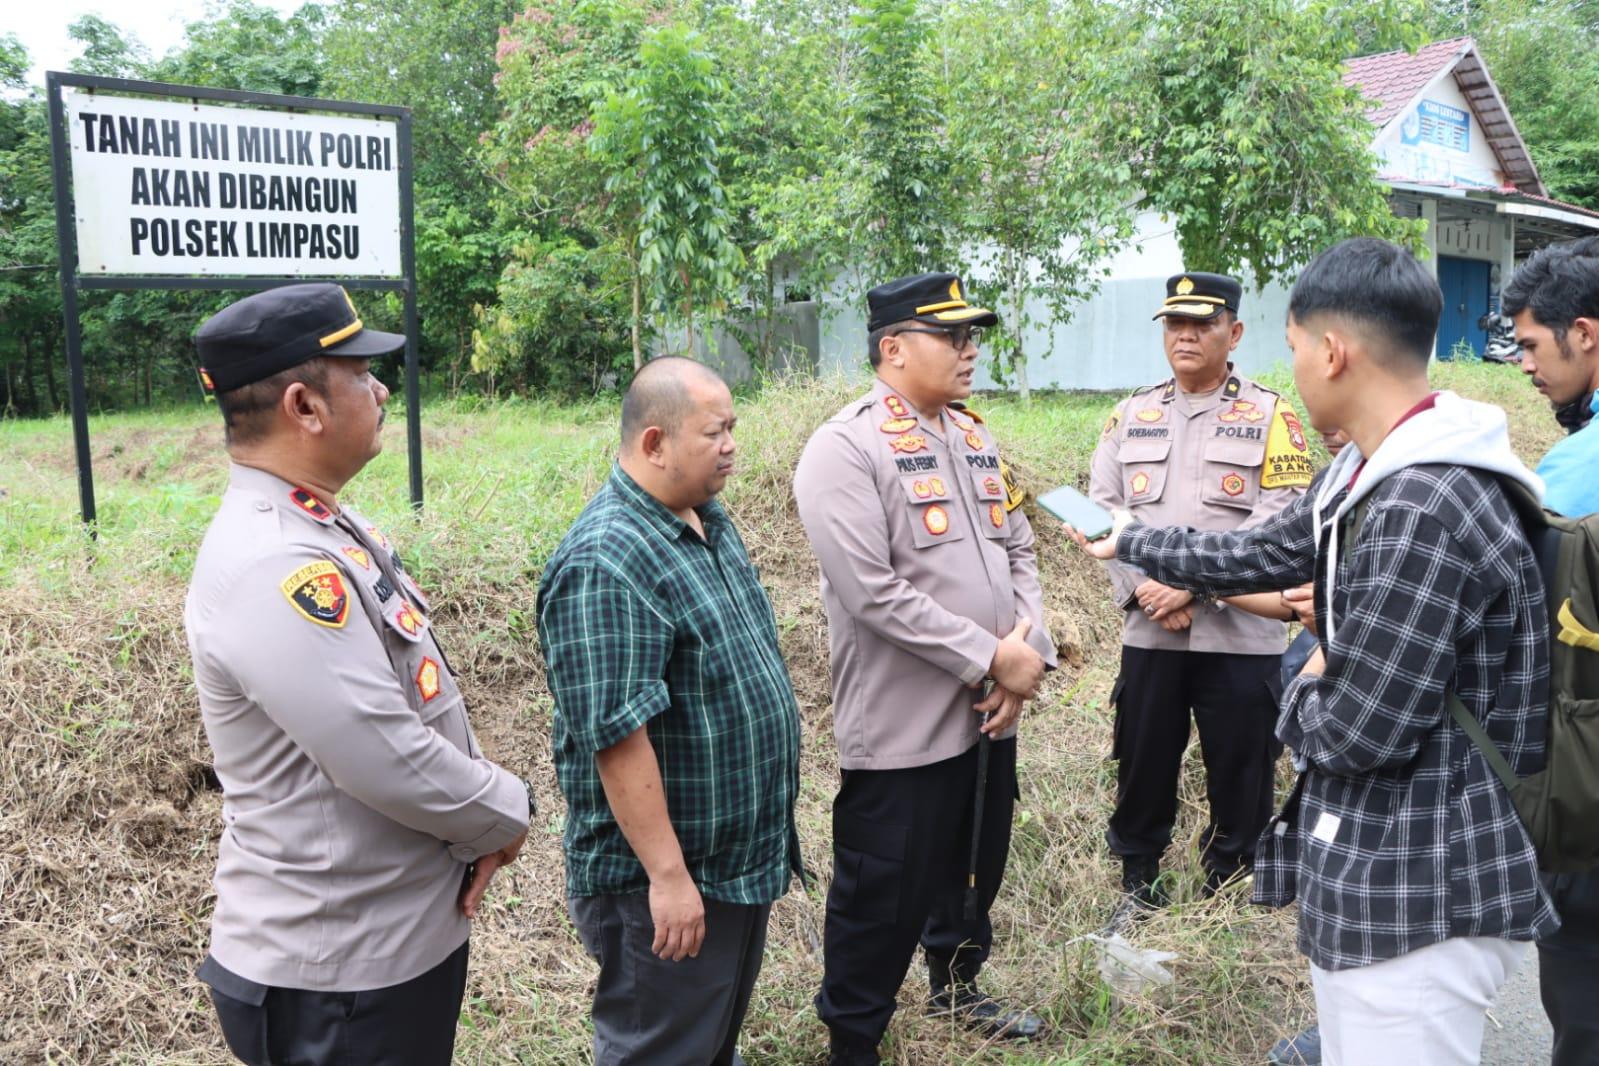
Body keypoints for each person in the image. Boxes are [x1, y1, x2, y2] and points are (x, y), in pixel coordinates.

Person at [1071, 238, 1557, 1066]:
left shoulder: (1424, 501)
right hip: (1377, 865)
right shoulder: (1365, 467)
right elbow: (1264, 551)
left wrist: (1306, 675)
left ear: (1330, 352)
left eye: (1292, 347)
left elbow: (1362, 730)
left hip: (1422, 889)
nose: (1289, 365)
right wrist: (1136, 541)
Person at [184, 283, 533, 1065]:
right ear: (304, 407)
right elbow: (386, 756)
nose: (381, 390)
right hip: (336, 979)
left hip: (382, 946)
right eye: (363, 374)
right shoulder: (275, 560)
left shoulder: (319, 519)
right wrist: (506, 811)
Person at [792, 272, 1057, 1066]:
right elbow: (871, 591)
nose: (970, 350)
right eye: (953, 337)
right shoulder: (845, 446)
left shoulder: (973, 435)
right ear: (893, 347)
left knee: (975, 860)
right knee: (881, 890)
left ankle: (957, 980)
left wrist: (1027, 649)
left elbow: (1020, 547)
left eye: (972, 336)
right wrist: (991, 657)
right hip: (906, 725)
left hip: (988, 711)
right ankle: (853, 1036)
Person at [537, 357, 803, 1066]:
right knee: (659, 1049)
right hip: (665, 880)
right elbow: (616, 738)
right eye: (714, 432)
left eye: (732, 429)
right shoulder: (606, 559)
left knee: (705, 1041)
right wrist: (668, 878)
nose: (731, 445)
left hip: (730, 864)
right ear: (653, 443)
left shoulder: (703, 519)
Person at [1087, 271, 1313, 927]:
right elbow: (1096, 508)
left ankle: (1228, 886)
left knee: (1241, 763)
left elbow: (1282, 520)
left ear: (1233, 332)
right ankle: (1138, 881)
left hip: (1240, 635)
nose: (1185, 336)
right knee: (1142, 758)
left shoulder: (1271, 416)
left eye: (1202, 324)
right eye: (1174, 324)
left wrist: (1192, 580)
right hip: (1150, 630)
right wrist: (1142, 587)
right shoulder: (1130, 414)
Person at [1503, 237, 1599, 1066]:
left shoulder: (1577, 467)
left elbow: (1493, 589)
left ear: (1585, 334)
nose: (1525, 366)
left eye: (1531, 346)